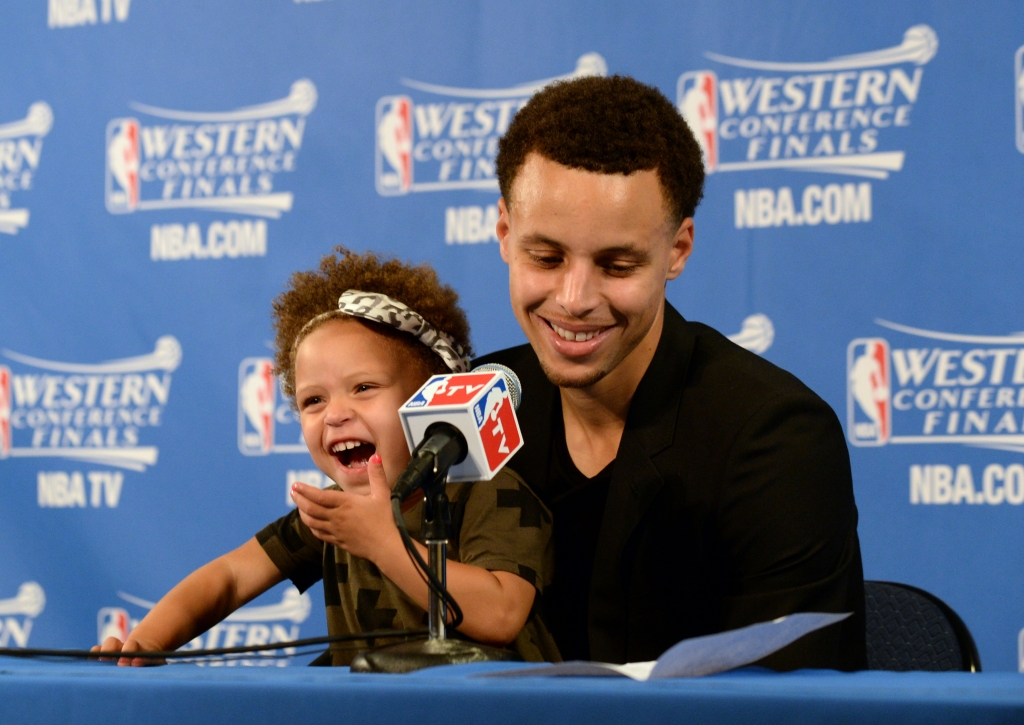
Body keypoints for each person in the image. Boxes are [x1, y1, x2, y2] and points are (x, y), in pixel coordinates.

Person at [475, 75, 866, 670]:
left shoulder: (775, 439)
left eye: (618, 264)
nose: (575, 298)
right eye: (546, 257)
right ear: (505, 232)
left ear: (678, 251)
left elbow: (789, 705)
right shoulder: (470, 406)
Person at [94, 249, 557, 666]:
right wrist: (146, 644)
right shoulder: (337, 514)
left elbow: (501, 615)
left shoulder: (490, 493)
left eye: (363, 388)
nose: (335, 414)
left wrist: (384, 541)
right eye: (313, 400)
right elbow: (231, 577)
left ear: (433, 397)